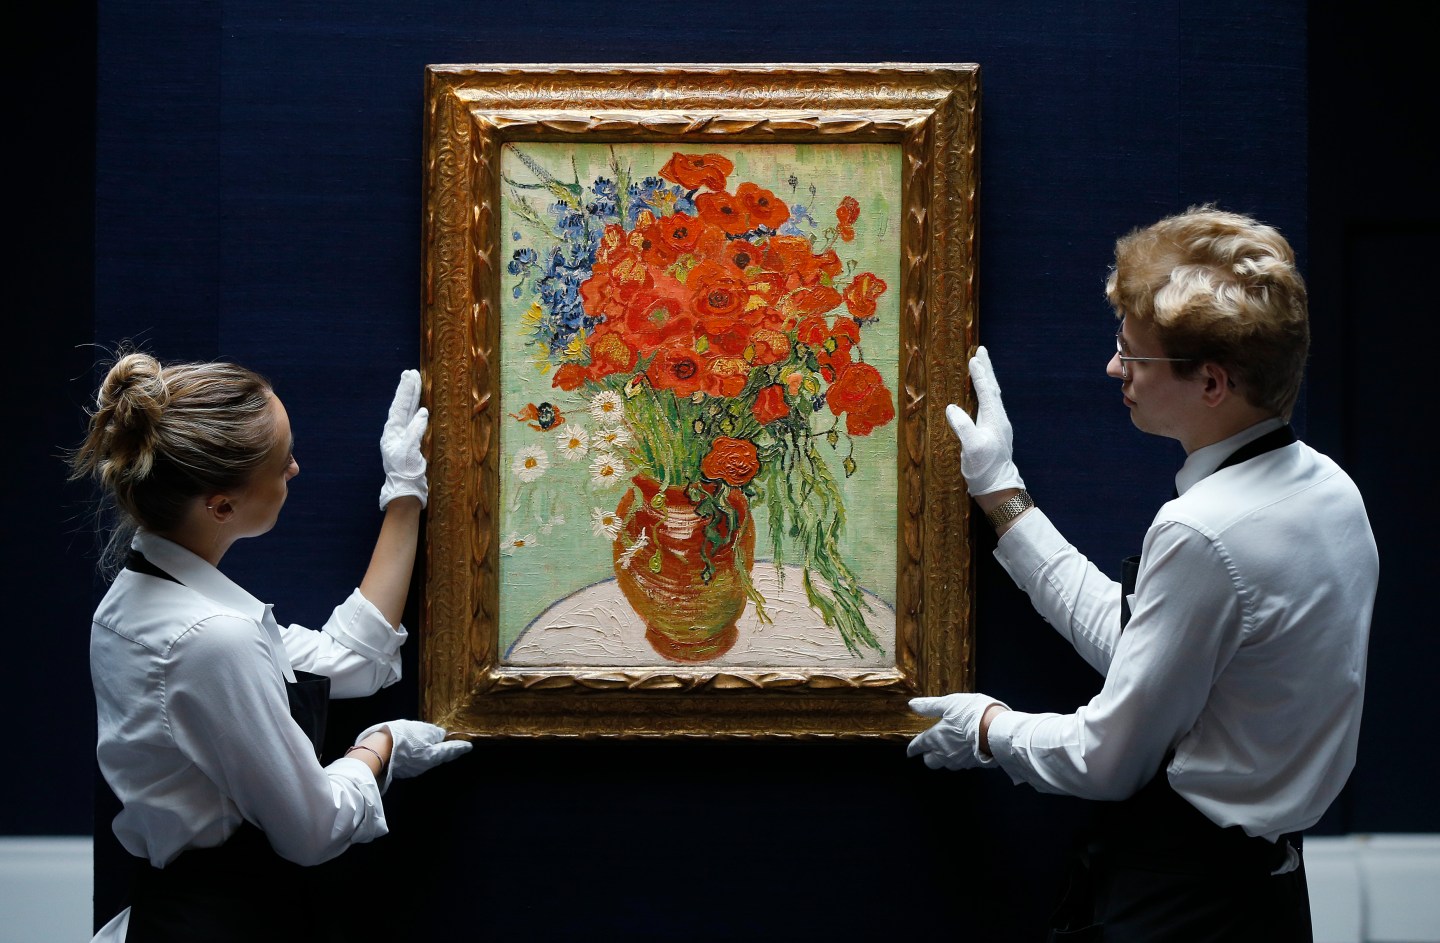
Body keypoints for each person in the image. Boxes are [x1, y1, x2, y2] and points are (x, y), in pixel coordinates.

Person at [907, 206, 1377, 941]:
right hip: (1269, 898)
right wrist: (1002, 493)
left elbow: (1108, 760)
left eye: (1134, 355)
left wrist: (989, 729)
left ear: (1212, 382)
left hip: (1182, 904)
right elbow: (1145, 651)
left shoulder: (1202, 529)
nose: (1113, 367)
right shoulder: (1333, 493)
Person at [72, 353, 472, 942]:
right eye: (280, 460)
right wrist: (379, 749)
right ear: (223, 506)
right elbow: (313, 831)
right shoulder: (210, 638)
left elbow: (352, 660)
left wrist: (405, 492)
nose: (295, 468)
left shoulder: (139, 601)